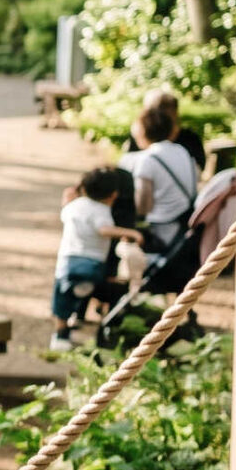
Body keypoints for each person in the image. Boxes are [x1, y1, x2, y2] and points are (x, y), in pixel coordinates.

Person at [52, 167, 145, 350]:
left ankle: (60, 335)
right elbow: (104, 230)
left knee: (62, 297)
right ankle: (105, 322)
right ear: (113, 195)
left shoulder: (73, 206)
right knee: (107, 289)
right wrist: (130, 233)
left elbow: (65, 212)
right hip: (92, 262)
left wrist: (69, 197)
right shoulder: (101, 210)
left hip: (67, 261)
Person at [121, 98, 199, 291]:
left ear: (143, 131)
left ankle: (127, 295)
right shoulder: (183, 151)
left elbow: (143, 206)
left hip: (162, 232)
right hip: (184, 227)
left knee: (119, 239)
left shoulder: (148, 159)